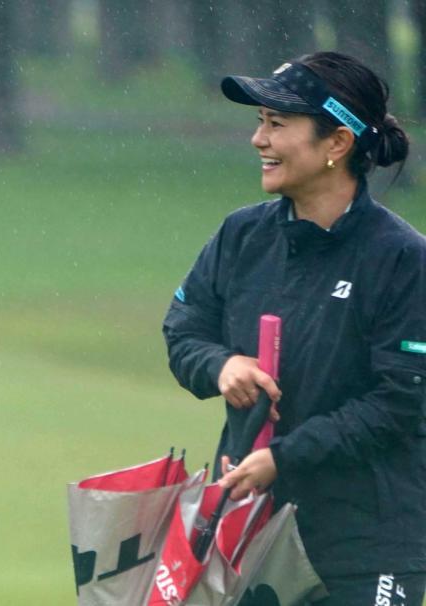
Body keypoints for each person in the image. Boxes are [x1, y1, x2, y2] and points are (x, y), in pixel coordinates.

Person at [163, 51, 426, 605]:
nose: (259, 140)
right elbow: (184, 329)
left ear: (337, 144)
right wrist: (222, 365)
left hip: (366, 548)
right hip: (251, 535)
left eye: (277, 124)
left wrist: (285, 457)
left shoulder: (401, 259)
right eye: (260, 122)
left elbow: (398, 404)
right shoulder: (242, 236)